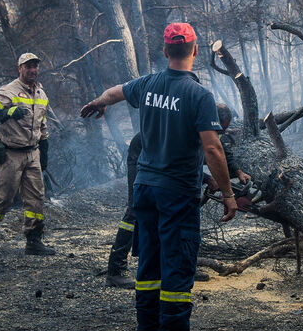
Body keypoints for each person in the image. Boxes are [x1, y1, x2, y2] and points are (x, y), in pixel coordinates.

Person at [81, 22, 237, 331]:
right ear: (195, 51)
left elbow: (113, 93)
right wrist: (228, 193)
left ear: (166, 51)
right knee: (177, 266)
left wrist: (99, 102)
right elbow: (212, 148)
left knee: (149, 265)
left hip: (145, 189)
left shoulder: (148, 84)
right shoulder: (199, 95)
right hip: (176, 193)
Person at [105, 103, 250, 289]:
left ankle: (184, 265)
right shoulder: (183, 126)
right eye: (218, 130)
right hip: (143, 153)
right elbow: (178, 160)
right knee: (135, 210)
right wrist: (207, 179)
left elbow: (219, 150)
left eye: (221, 132)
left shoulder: (207, 127)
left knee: (182, 209)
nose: (219, 134)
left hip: (169, 159)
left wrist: (237, 171)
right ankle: (115, 271)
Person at [0, 53, 54, 257]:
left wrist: (44, 150)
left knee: (36, 199)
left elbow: (42, 125)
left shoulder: (41, 94)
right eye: (28, 67)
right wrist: (8, 112)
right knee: (4, 199)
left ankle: (33, 240)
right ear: (20, 68)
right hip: (10, 154)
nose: (32, 70)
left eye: (35, 66)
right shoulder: (9, 91)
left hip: (32, 152)